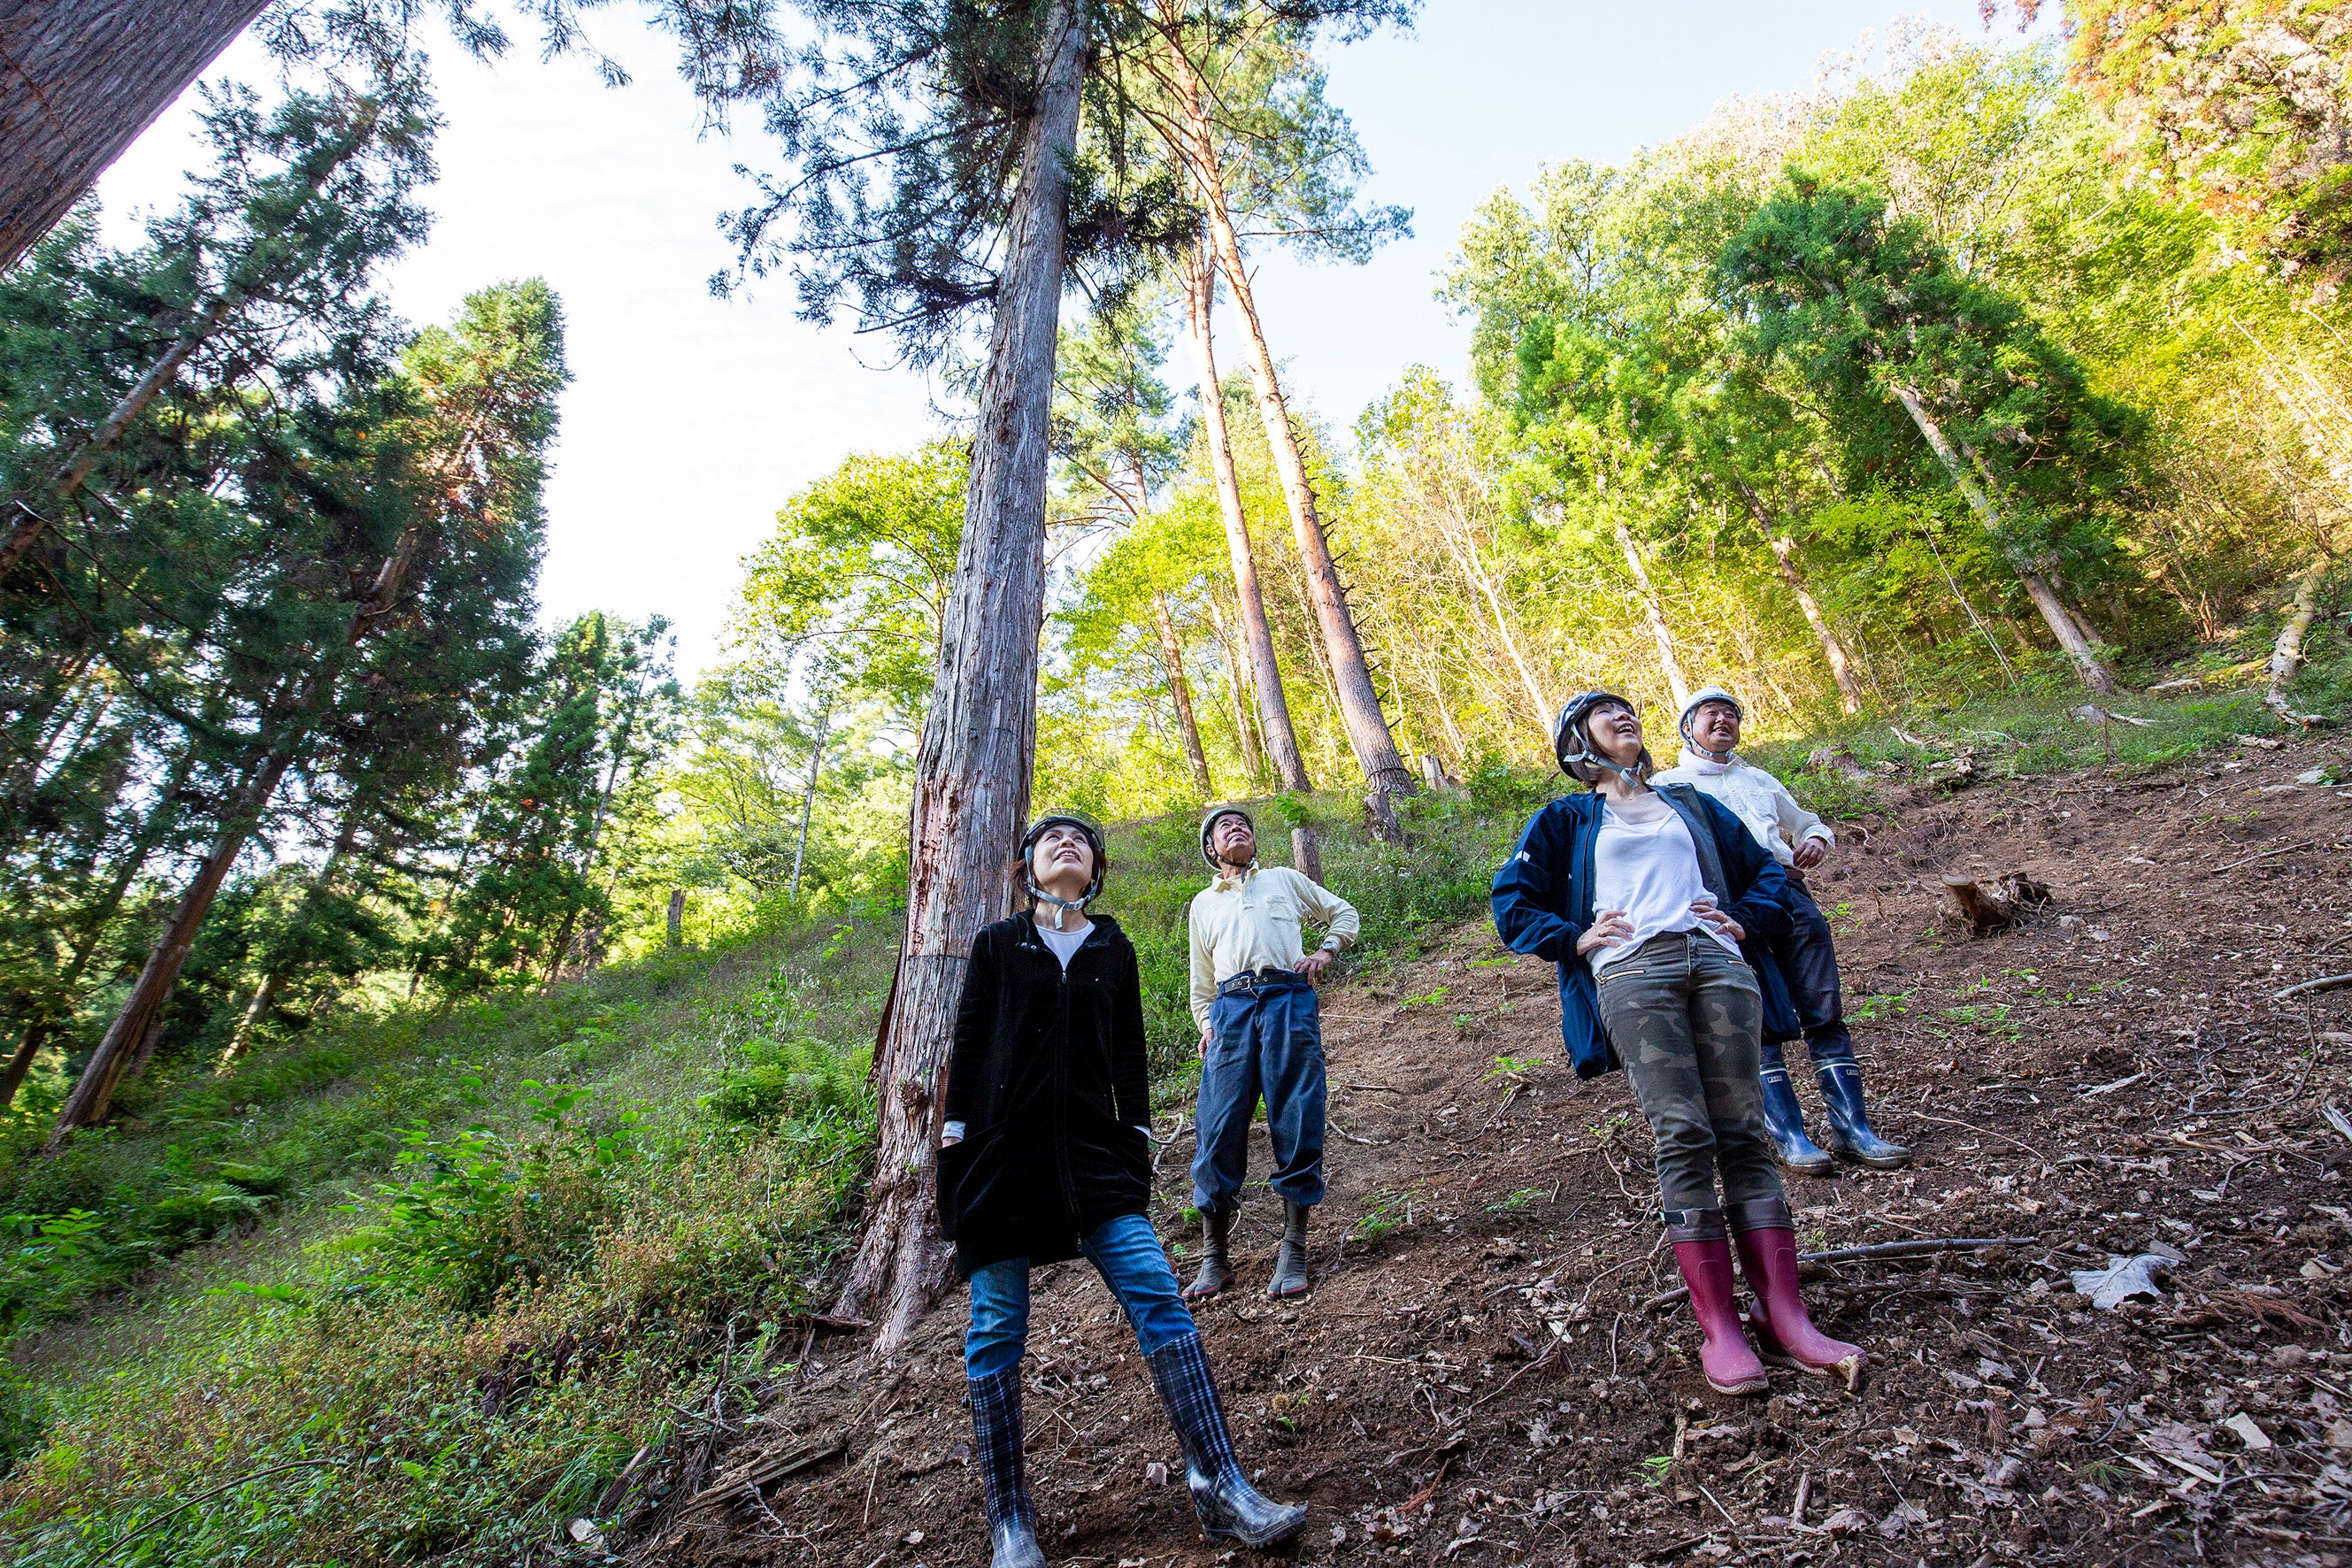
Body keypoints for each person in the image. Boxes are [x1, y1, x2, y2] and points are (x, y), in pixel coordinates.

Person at [937, 815, 1307, 1565]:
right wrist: (954, 1139)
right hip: (1001, 1163)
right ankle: (1011, 1525)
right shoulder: (997, 944)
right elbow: (969, 1041)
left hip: (1096, 1163)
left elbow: (1130, 1052)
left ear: (1097, 866)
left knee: (1159, 1297)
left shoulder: (1114, 946)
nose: (1065, 844)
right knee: (998, 1327)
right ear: (1028, 866)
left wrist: (1135, 1137)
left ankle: (1219, 1484)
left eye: (1079, 839)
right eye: (1050, 839)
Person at [1492, 693, 1866, 1395]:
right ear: (1577, 741)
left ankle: (1785, 1314)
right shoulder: (1564, 819)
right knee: (1683, 1133)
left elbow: (1766, 872)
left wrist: (1740, 920)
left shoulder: (1689, 803)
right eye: (1605, 712)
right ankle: (1720, 1327)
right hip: (1633, 976)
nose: (1624, 715)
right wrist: (1573, 938)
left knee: (1744, 1135)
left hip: (1718, 963)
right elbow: (1512, 902)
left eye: (1629, 708)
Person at [1652, 687, 1911, 1172]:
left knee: (1823, 1008)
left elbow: (1807, 821)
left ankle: (1854, 1131)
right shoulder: (1668, 785)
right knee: (1754, 1017)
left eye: (1731, 715)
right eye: (1711, 714)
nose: (1723, 721)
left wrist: (1813, 837)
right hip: (1724, 903)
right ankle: (1790, 1136)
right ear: (1688, 726)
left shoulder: (1759, 778)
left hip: (1790, 893)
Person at [1182, 803, 1359, 1302]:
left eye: (1244, 825)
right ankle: (1214, 1259)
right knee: (1217, 1125)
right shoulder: (1204, 904)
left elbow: (1344, 912)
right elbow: (1200, 983)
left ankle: (1294, 1247)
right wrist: (1205, 1024)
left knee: (1296, 1112)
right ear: (1212, 849)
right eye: (1225, 828)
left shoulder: (1283, 878)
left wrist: (1326, 949)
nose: (1237, 829)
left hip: (1287, 1000)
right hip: (1230, 1010)